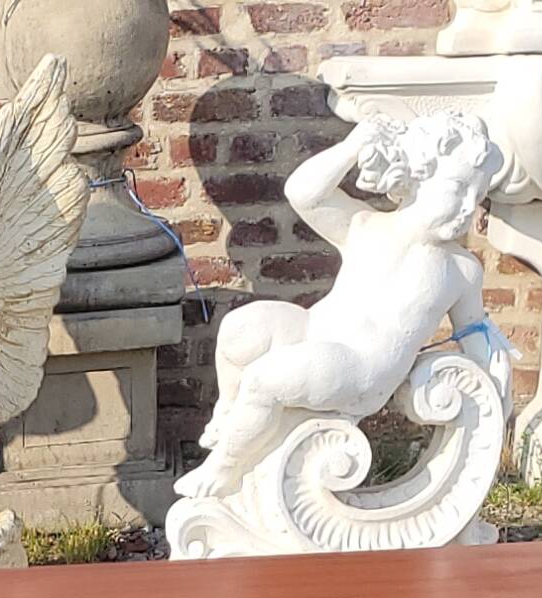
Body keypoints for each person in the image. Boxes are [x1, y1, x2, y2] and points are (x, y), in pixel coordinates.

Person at [181, 109, 506, 494]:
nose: (470, 206)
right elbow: (303, 194)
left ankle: (224, 468)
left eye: (478, 195)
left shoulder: (460, 269)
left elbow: (476, 335)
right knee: (241, 329)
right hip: (313, 328)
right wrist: (353, 146)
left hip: (359, 367)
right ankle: (228, 412)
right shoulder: (364, 225)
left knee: (264, 381)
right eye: (458, 189)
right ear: (416, 175)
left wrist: (497, 396)